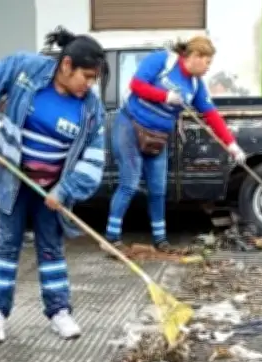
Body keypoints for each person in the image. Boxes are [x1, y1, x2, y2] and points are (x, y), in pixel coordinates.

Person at [0, 27, 108, 343]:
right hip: (11, 180)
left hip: (52, 191)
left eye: (93, 79)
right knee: (6, 244)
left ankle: (59, 312)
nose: (88, 84)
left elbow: (94, 158)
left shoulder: (90, 109)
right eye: (85, 76)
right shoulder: (25, 70)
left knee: (51, 248)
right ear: (66, 65)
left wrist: (66, 190)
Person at [104, 36, 246, 252]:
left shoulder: (196, 85)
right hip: (130, 127)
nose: (209, 68)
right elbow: (137, 85)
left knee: (159, 189)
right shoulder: (162, 61)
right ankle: (111, 238)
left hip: (158, 137)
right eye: (208, 62)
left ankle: (160, 240)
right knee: (129, 183)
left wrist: (232, 146)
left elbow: (211, 115)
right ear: (196, 56)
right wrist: (165, 96)